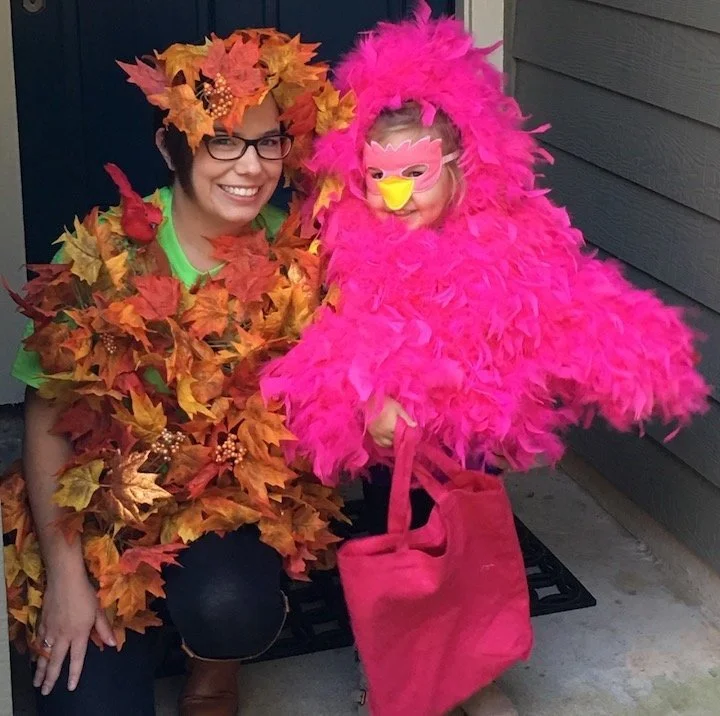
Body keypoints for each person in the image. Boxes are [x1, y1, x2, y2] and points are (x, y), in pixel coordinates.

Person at [260, 4, 708, 714]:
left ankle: (472, 663)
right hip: (393, 434)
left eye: (415, 173)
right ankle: (394, 662)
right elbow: (335, 330)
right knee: (394, 533)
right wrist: (366, 393)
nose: (396, 195)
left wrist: (629, 355)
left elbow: (561, 305)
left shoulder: (509, 232)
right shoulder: (350, 237)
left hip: (472, 427)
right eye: (379, 177)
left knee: (472, 533)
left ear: (461, 165)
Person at [1, 28, 352, 716]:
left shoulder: (300, 260)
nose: (250, 166)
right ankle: (130, 625)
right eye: (222, 139)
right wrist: (70, 581)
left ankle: (212, 662)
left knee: (230, 605)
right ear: (171, 146)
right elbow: (45, 423)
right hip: (106, 504)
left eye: (269, 140)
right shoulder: (102, 259)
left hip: (220, 500)